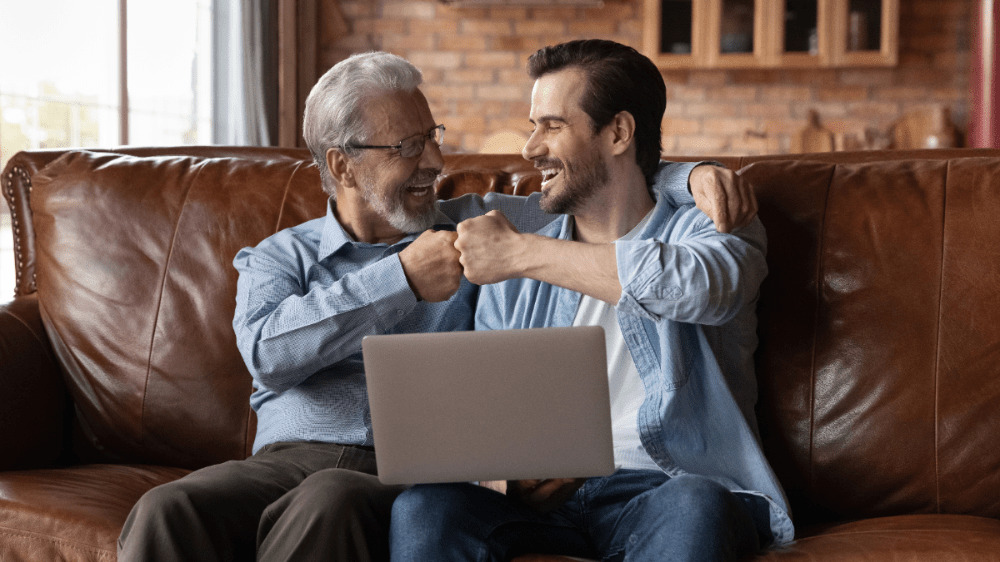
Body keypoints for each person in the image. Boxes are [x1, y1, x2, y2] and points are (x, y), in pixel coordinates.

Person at [116, 50, 754, 562]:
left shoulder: (483, 226)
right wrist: (400, 278)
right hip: (292, 456)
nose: (437, 163)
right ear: (342, 165)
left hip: (408, 471)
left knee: (333, 500)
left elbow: (602, 189)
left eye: (432, 137)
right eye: (407, 148)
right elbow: (267, 355)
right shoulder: (280, 256)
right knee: (164, 510)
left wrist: (690, 175)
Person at [390, 40, 793, 562]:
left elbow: (698, 286)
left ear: (619, 132)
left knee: (699, 503)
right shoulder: (513, 232)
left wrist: (524, 253)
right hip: (542, 504)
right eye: (533, 125)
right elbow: (491, 408)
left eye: (552, 126)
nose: (530, 148)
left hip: (664, 488)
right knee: (425, 508)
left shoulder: (712, 223)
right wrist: (504, 472)